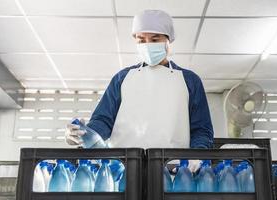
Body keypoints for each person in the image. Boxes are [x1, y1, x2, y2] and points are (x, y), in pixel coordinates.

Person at [65, 10, 214, 149]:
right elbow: (103, 121)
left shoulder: (190, 80)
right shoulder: (122, 78)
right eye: (141, 40)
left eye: (155, 40)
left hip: (172, 167)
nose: (148, 45)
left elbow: (201, 130)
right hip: (125, 166)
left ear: (169, 41)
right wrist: (82, 134)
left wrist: (197, 157)